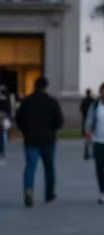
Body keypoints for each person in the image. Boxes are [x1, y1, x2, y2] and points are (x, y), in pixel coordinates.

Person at [14, 76, 63, 206]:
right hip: (48, 139)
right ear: (46, 87)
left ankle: (28, 190)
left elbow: (18, 119)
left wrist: (26, 130)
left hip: (30, 139)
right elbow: (59, 121)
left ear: (34, 87)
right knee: (49, 167)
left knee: (30, 166)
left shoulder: (26, 101)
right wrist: (51, 130)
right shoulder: (51, 101)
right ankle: (49, 193)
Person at [80, 88, 95, 160]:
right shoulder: (93, 101)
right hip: (91, 120)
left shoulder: (84, 100)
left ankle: (86, 152)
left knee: (87, 136)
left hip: (85, 119)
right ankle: (92, 152)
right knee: (92, 137)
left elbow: (81, 109)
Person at [0, 83, 13, 162]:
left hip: (3, 119)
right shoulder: (7, 98)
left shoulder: (7, 97)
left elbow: (9, 109)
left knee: (2, 134)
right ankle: (2, 151)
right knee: (2, 135)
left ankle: (2, 151)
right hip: (4, 118)